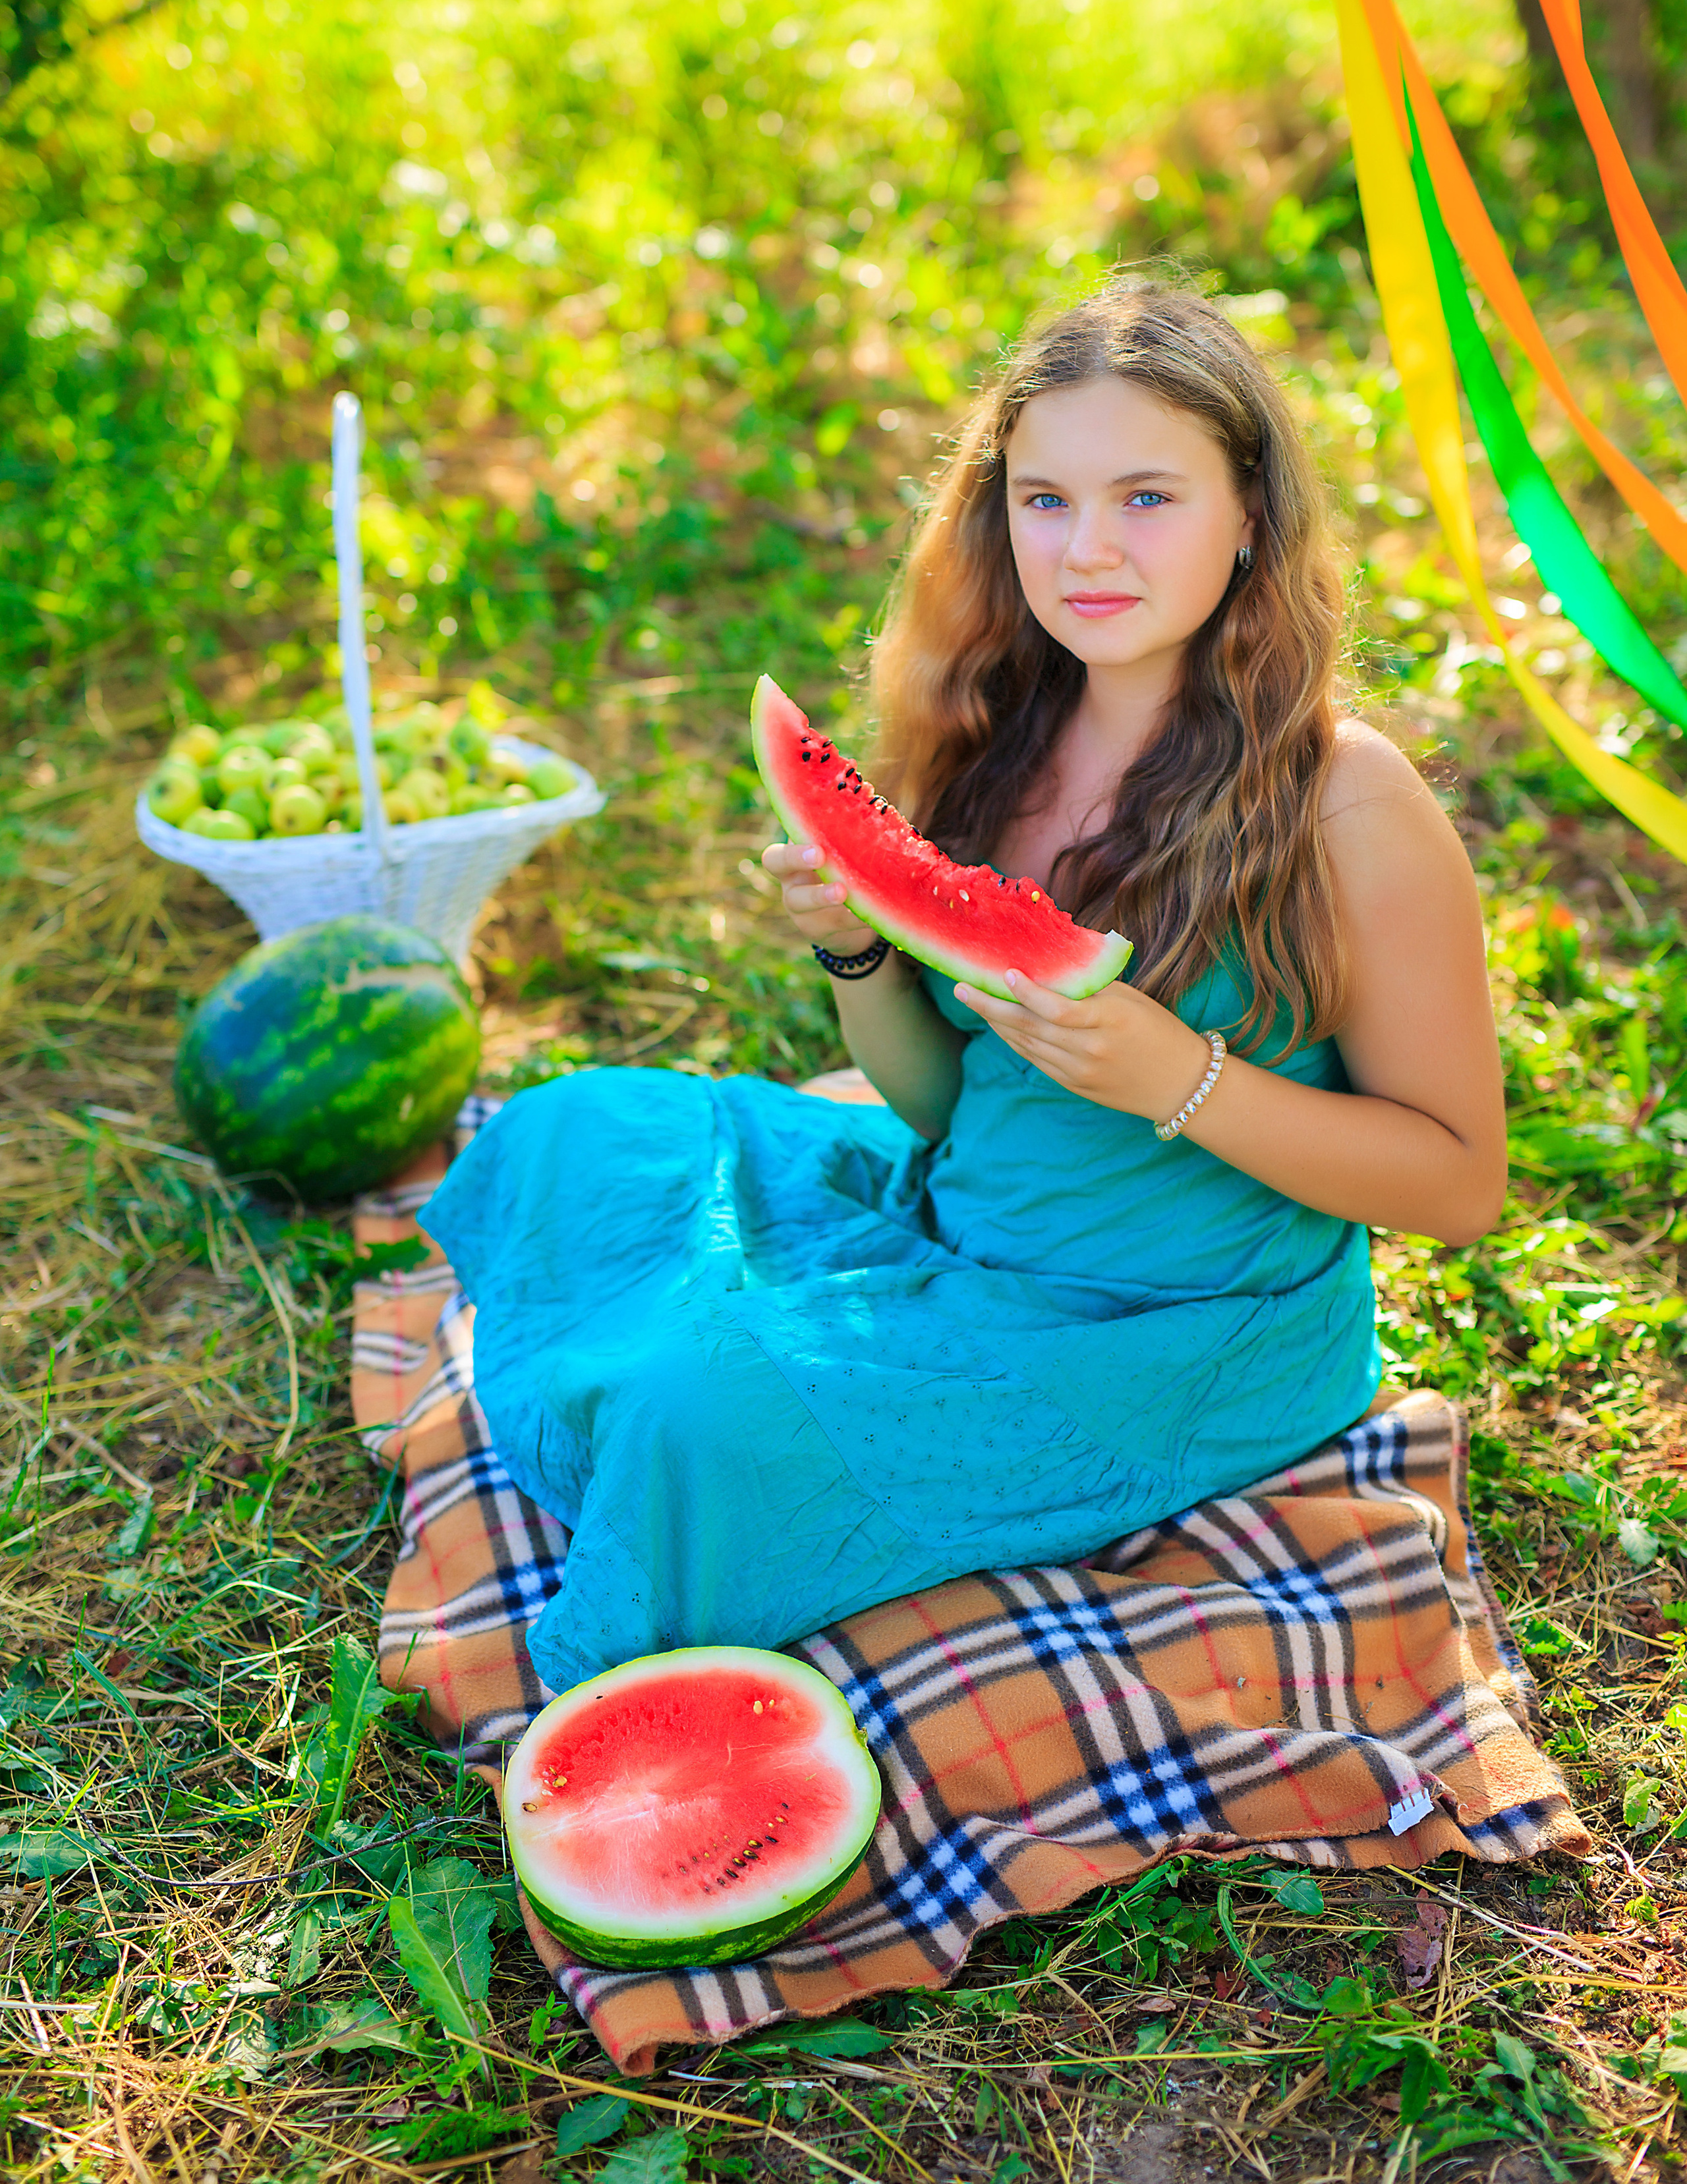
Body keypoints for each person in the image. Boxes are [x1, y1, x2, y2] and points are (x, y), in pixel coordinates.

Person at [420, 278, 1506, 1696]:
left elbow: (1455, 1187)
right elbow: (939, 1108)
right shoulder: (999, 745)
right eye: (1042, 501)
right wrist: (858, 947)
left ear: (1249, 514)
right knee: (568, 1137)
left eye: (1145, 497)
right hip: (959, 1229)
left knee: (693, 1418)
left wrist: (1174, 1080)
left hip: (1173, 1342)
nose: (1087, 550)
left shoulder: (1345, 802)